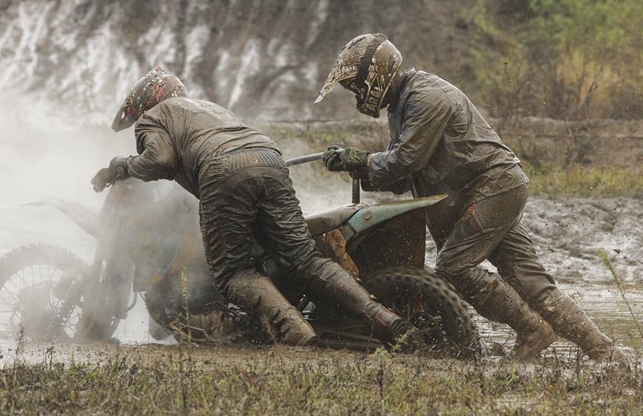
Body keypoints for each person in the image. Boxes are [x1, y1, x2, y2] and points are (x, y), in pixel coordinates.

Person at [314, 33, 625, 363]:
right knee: (530, 283)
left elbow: (407, 160)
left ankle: (533, 330)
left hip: (493, 186)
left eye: (353, 86)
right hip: (488, 190)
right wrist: (360, 166)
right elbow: (406, 176)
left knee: (453, 267)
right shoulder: (403, 104)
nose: (354, 94)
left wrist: (361, 160)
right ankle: (604, 352)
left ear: (372, 78)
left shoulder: (425, 96)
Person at [91, 66, 408, 347]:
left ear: (147, 103)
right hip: (269, 157)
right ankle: (385, 318)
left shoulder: (153, 118)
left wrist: (122, 166)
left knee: (232, 272)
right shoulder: (208, 109)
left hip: (224, 170)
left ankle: (296, 332)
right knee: (304, 258)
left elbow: (159, 160)